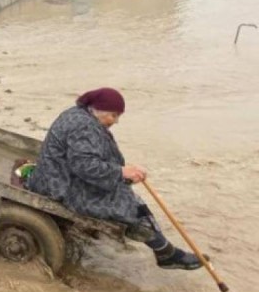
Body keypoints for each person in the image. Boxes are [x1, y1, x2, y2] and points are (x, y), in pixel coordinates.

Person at [27, 87, 205, 270]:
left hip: (58, 176)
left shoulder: (79, 115)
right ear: (98, 110)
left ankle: (164, 251)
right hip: (59, 185)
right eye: (113, 115)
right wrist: (121, 172)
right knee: (129, 206)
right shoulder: (83, 126)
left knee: (127, 197)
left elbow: (87, 158)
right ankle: (166, 253)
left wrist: (124, 172)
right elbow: (84, 165)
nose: (116, 121)